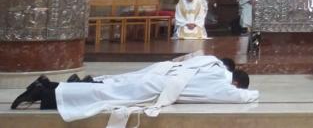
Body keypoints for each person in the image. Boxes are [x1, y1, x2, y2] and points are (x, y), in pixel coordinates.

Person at [11, 55, 258, 127]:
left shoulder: (209, 63)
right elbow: (243, 96)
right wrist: (253, 92)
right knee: (105, 96)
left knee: (111, 87)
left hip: (158, 76)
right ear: (235, 81)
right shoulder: (220, 80)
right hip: (153, 89)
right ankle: (46, 93)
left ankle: (49, 86)